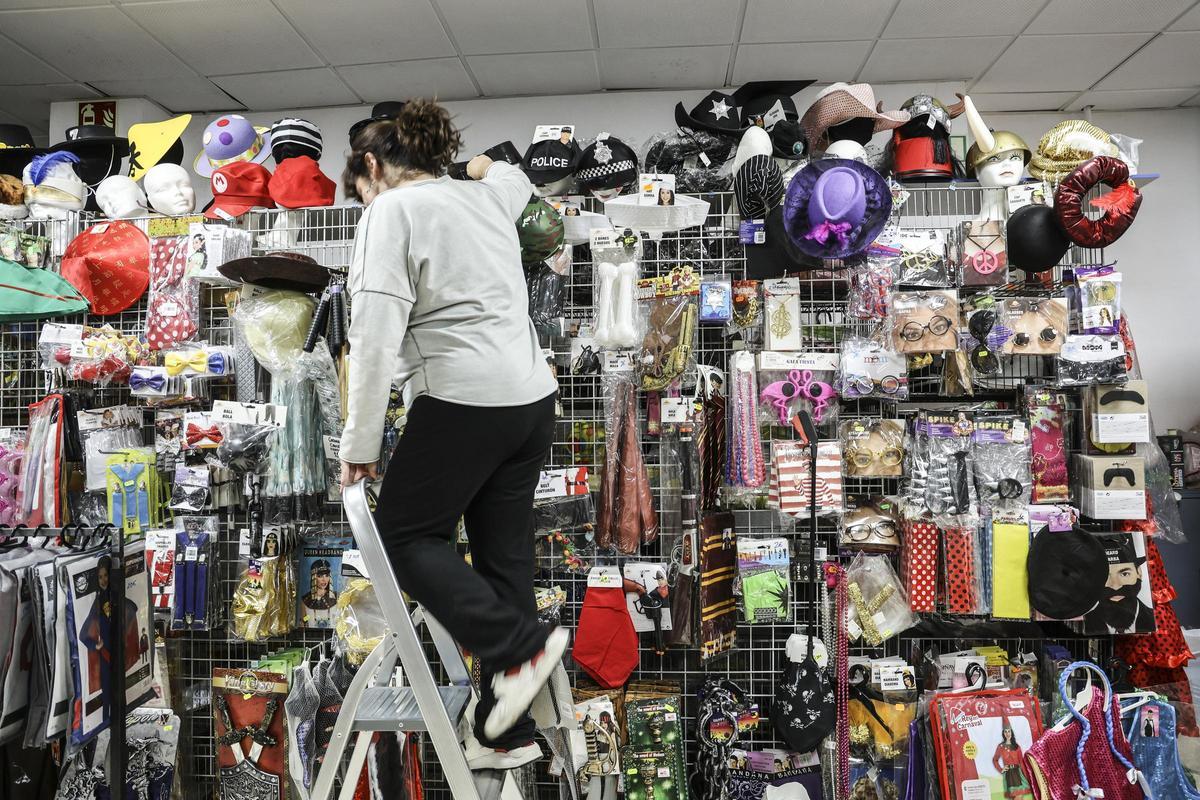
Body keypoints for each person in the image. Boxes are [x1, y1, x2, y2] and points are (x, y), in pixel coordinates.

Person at [339, 98, 564, 762]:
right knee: (504, 558)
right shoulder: (484, 198)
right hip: (530, 402)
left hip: (462, 398)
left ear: (373, 166)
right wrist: (483, 164)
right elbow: (513, 179)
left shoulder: (392, 210)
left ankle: (521, 646)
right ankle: (505, 728)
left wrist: (360, 446)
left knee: (404, 537)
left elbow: (374, 337)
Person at [991, 718, 1032, 799]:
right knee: (1014, 798)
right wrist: (1001, 769)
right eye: (1005, 731)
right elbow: (995, 760)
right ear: (1003, 733)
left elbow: (1021, 762)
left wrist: (1027, 776)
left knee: (1019, 797)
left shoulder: (1017, 747)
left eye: (1009, 731)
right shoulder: (1001, 747)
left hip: (1018, 774)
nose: (1007, 733)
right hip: (1008, 775)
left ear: (1011, 732)